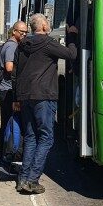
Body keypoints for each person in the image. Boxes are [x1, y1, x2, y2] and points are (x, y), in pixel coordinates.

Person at [13, 13, 77, 194]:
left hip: (25, 96)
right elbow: (71, 54)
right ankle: (32, 180)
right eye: (47, 21)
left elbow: (16, 73)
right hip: (44, 96)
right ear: (41, 26)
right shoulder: (48, 43)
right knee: (47, 138)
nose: (49, 24)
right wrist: (72, 35)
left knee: (31, 137)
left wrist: (17, 98)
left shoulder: (22, 45)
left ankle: (23, 179)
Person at [0, 21, 28, 175]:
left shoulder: (9, 44)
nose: (24, 34)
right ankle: (3, 160)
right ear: (14, 31)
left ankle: (2, 157)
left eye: (26, 32)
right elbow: (9, 67)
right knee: (8, 125)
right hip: (7, 91)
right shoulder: (12, 46)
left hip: (4, 90)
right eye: (21, 32)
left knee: (6, 124)